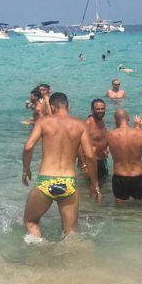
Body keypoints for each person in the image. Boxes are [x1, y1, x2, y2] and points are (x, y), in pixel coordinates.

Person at [21, 92, 100, 239]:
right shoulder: (80, 125)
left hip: (46, 180)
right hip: (68, 183)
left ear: (51, 106)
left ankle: (38, 252)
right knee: (70, 232)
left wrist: (26, 169)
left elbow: (28, 147)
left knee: (31, 221)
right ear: (68, 105)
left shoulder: (44, 121)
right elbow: (90, 156)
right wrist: (95, 184)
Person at [106, 108, 142, 202]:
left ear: (115, 120)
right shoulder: (140, 133)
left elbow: (100, 151)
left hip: (119, 176)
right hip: (137, 175)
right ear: (128, 118)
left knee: (121, 207)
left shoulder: (110, 134)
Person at [84, 99, 110, 182]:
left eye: (102, 108)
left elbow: (104, 137)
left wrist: (107, 148)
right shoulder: (88, 124)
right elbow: (80, 146)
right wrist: (84, 166)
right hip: (92, 162)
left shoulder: (102, 120)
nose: (100, 111)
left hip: (102, 160)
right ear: (92, 110)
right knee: (92, 188)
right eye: (98, 109)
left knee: (104, 184)